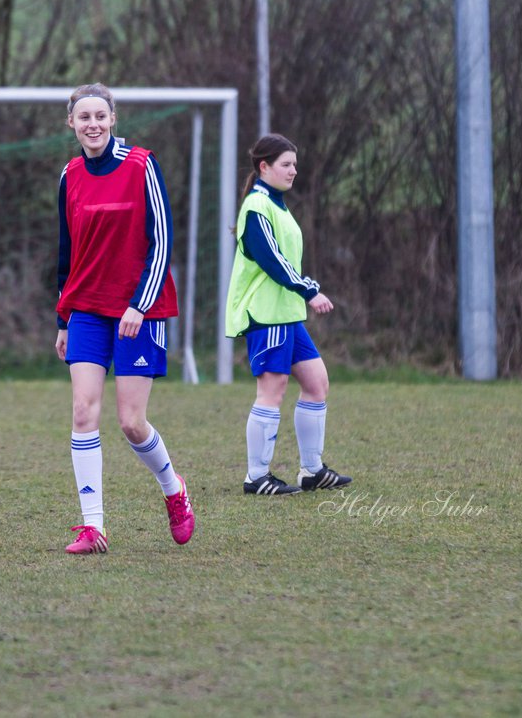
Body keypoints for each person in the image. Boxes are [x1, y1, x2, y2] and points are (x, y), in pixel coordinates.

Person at [54, 83, 194, 554]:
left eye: (100, 115)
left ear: (113, 118)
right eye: (83, 117)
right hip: (88, 310)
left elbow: (162, 240)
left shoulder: (141, 164)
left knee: (132, 422)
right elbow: (67, 252)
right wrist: (63, 318)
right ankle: (93, 527)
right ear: (71, 124)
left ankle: (174, 490)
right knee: (82, 411)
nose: (92, 124)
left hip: (140, 309)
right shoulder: (69, 175)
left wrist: (139, 303)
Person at [225, 134, 351, 496]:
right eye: (286, 164)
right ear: (263, 167)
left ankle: (312, 470)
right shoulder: (256, 206)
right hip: (267, 314)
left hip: (285, 314)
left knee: (316, 383)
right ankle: (256, 476)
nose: (293, 171)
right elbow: (272, 261)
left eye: (295, 164)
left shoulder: (278, 205)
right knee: (272, 389)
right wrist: (310, 290)